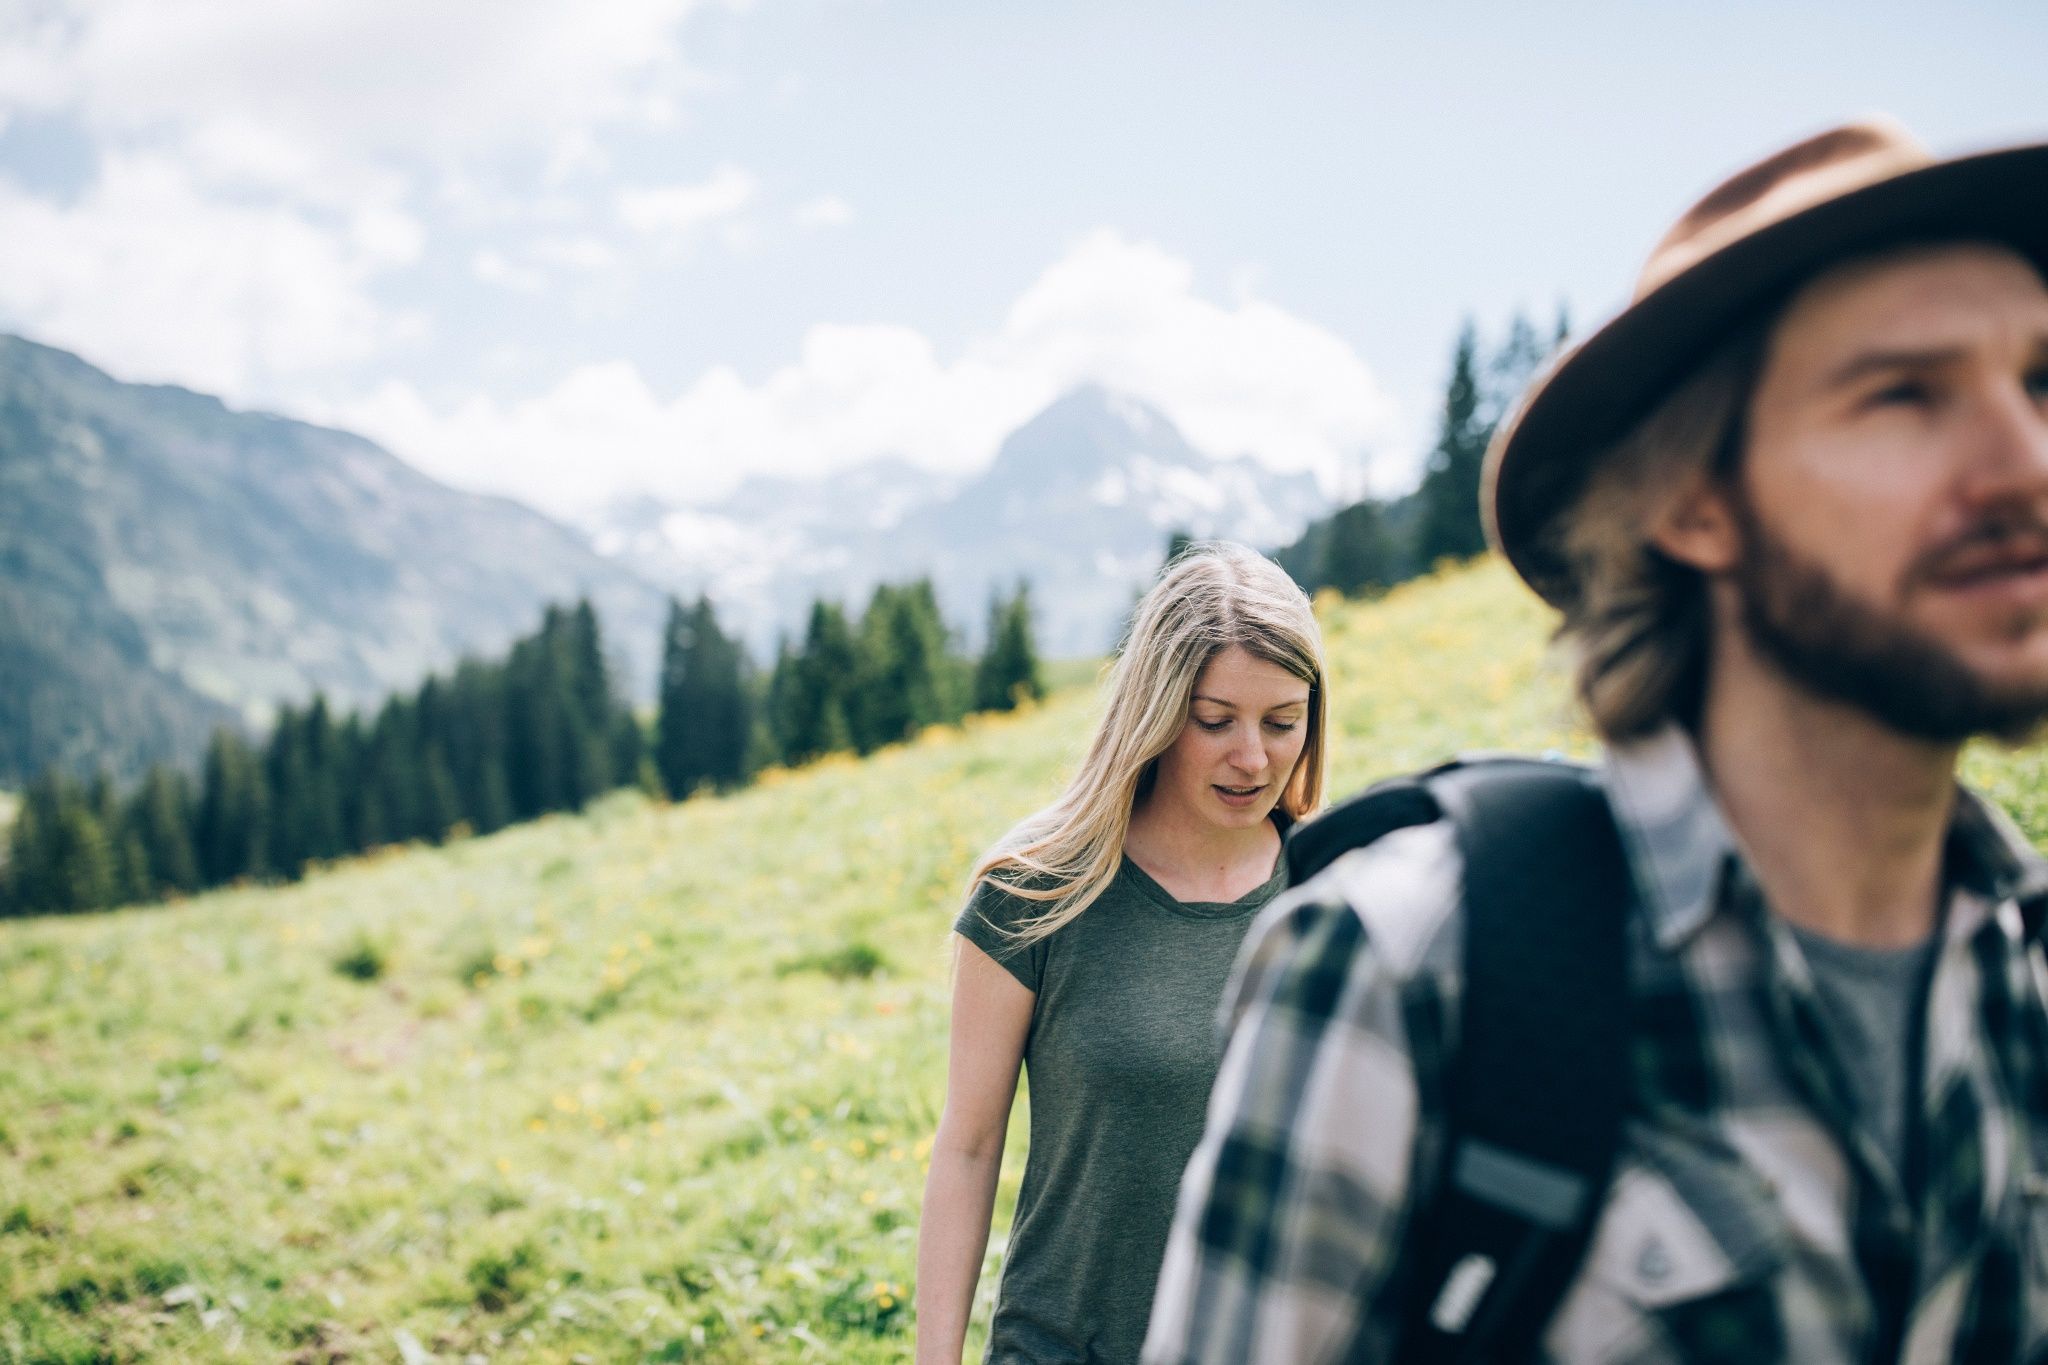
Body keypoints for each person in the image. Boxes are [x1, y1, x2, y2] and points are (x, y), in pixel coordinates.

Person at [1146, 119, 2048, 1363]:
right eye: (1902, 394)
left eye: (2039, 384)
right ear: (1693, 502)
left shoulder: (2021, 970)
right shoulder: (1403, 971)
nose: (2024, 460)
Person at [916, 541, 1330, 1364]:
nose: (1254, 757)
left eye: (1282, 721)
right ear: (1158, 710)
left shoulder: (1339, 888)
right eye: (1216, 721)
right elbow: (967, 1146)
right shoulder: (1036, 890)